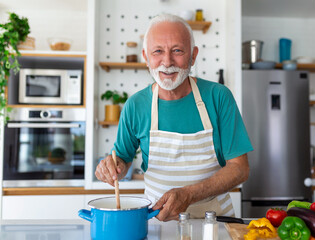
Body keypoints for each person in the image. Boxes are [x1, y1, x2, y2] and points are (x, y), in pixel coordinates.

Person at [95, 13, 253, 222]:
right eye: (157, 51)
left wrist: (189, 194)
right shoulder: (135, 105)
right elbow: (122, 159)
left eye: (177, 51)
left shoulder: (218, 97)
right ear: (146, 56)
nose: (167, 62)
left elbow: (240, 168)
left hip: (214, 221)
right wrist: (112, 167)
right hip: (157, 220)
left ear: (193, 55)